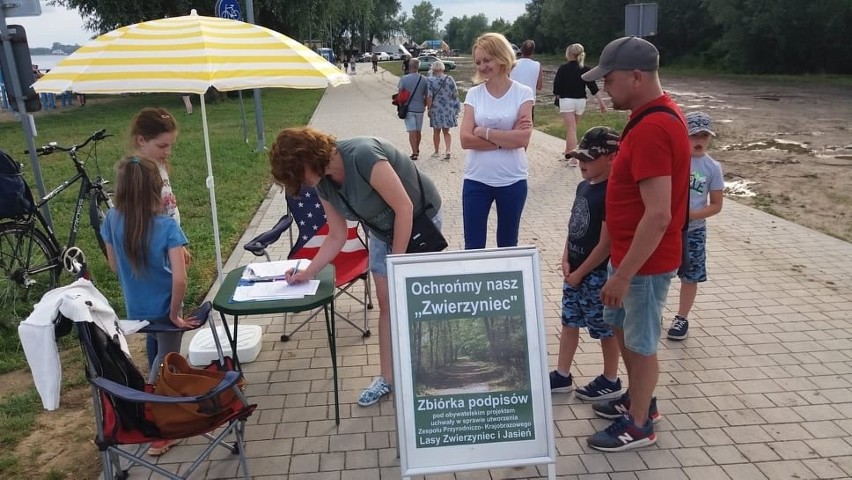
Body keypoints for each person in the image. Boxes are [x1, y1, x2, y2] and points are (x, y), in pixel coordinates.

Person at [269, 127, 443, 408]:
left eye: (297, 174)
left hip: (418, 220)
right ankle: (387, 378)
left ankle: (426, 374)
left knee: (414, 300)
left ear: (308, 157)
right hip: (380, 229)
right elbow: (336, 235)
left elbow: (404, 208)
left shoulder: (362, 154)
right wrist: (307, 272)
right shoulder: (322, 182)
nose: (301, 184)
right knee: (386, 304)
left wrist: (396, 263)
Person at [580, 36, 690, 452]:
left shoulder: (655, 127)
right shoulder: (650, 116)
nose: (603, 87)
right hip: (631, 258)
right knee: (625, 334)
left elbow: (659, 213)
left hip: (642, 266)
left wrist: (624, 274)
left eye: (608, 79)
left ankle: (639, 425)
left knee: (641, 346)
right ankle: (640, 400)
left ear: (636, 76)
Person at [100, 155, 200, 456]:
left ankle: (156, 404)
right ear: (157, 190)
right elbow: (180, 280)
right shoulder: (167, 226)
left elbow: (115, 267)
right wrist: (173, 312)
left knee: (155, 348)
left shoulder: (111, 220)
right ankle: (159, 423)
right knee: (166, 363)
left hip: (136, 308)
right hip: (165, 306)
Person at [550, 127, 623, 402]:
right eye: (580, 157)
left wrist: (581, 272)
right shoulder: (583, 185)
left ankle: (610, 378)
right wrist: (566, 258)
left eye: (589, 158)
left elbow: (607, 244)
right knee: (569, 322)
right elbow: (575, 225)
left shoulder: (612, 193)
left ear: (612, 157)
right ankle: (562, 374)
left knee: (605, 329)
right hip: (575, 271)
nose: (582, 163)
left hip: (595, 276)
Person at [459, 32, 534, 249]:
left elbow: (523, 138)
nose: (482, 66)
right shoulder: (474, 94)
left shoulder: (523, 93)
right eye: (478, 62)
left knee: (508, 245)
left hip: (513, 180)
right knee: (473, 247)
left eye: (487, 60)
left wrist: (483, 131)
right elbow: (465, 139)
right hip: (476, 180)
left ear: (502, 57)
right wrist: (506, 139)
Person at [129, 107, 191, 367]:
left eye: (170, 146)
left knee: (162, 322)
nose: (167, 151)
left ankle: (162, 371)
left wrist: (179, 244)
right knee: (164, 319)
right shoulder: (138, 174)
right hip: (159, 251)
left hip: (170, 243)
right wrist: (169, 244)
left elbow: (168, 208)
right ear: (141, 141)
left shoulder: (159, 166)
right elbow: (139, 221)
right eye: (162, 145)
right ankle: (160, 377)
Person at [667, 111, 724, 340]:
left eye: (704, 136)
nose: (699, 141)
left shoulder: (712, 167)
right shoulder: (674, 160)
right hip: (668, 228)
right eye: (694, 136)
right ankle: (653, 310)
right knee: (660, 271)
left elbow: (716, 204)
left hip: (694, 230)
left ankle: (682, 317)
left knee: (690, 275)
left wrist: (692, 215)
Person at [553, 43, 607, 165]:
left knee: (571, 129)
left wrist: (558, 96)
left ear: (569, 53)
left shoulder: (563, 68)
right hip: (580, 101)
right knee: (572, 129)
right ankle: (567, 152)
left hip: (567, 101)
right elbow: (593, 87)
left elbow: (556, 88)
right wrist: (601, 103)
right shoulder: (585, 68)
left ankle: (574, 159)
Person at [426, 60, 459, 161]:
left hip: (436, 108)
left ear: (433, 69)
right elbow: (455, 94)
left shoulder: (430, 80)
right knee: (446, 131)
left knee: (436, 131)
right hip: (448, 108)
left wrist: (429, 108)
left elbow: (429, 96)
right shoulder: (450, 79)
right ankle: (448, 150)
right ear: (442, 68)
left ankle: (436, 151)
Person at [397, 58, 428, 160]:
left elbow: (400, 94)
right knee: (418, 131)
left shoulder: (404, 79)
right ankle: (417, 148)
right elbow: (426, 95)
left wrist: (400, 104)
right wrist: (424, 105)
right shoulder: (424, 79)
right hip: (420, 108)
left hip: (408, 108)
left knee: (412, 131)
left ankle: (414, 152)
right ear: (418, 67)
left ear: (409, 66)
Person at [509, 40, 542, 120]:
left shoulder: (512, 64)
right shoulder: (537, 65)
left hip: (513, 100)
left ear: (521, 50)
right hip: (529, 100)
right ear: (532, 51)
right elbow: (539, 86)